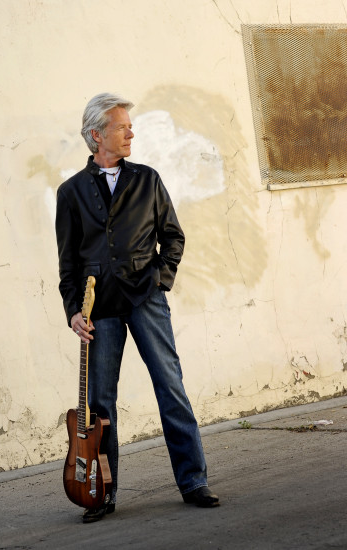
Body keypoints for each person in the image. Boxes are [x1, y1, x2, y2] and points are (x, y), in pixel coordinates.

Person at [56, 92, 219, 523]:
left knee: (170, 387)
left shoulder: (148, 179)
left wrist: (160, 280)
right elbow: (68, 264)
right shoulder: (71, 192)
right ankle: (102, 493)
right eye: (122, 127)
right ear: (97, 135)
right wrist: (74, 311)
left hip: (146, 300)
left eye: (130, 126)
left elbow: (173, 237)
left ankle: (194, 481)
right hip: (99, 308)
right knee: (100, 406)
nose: (131, 133)